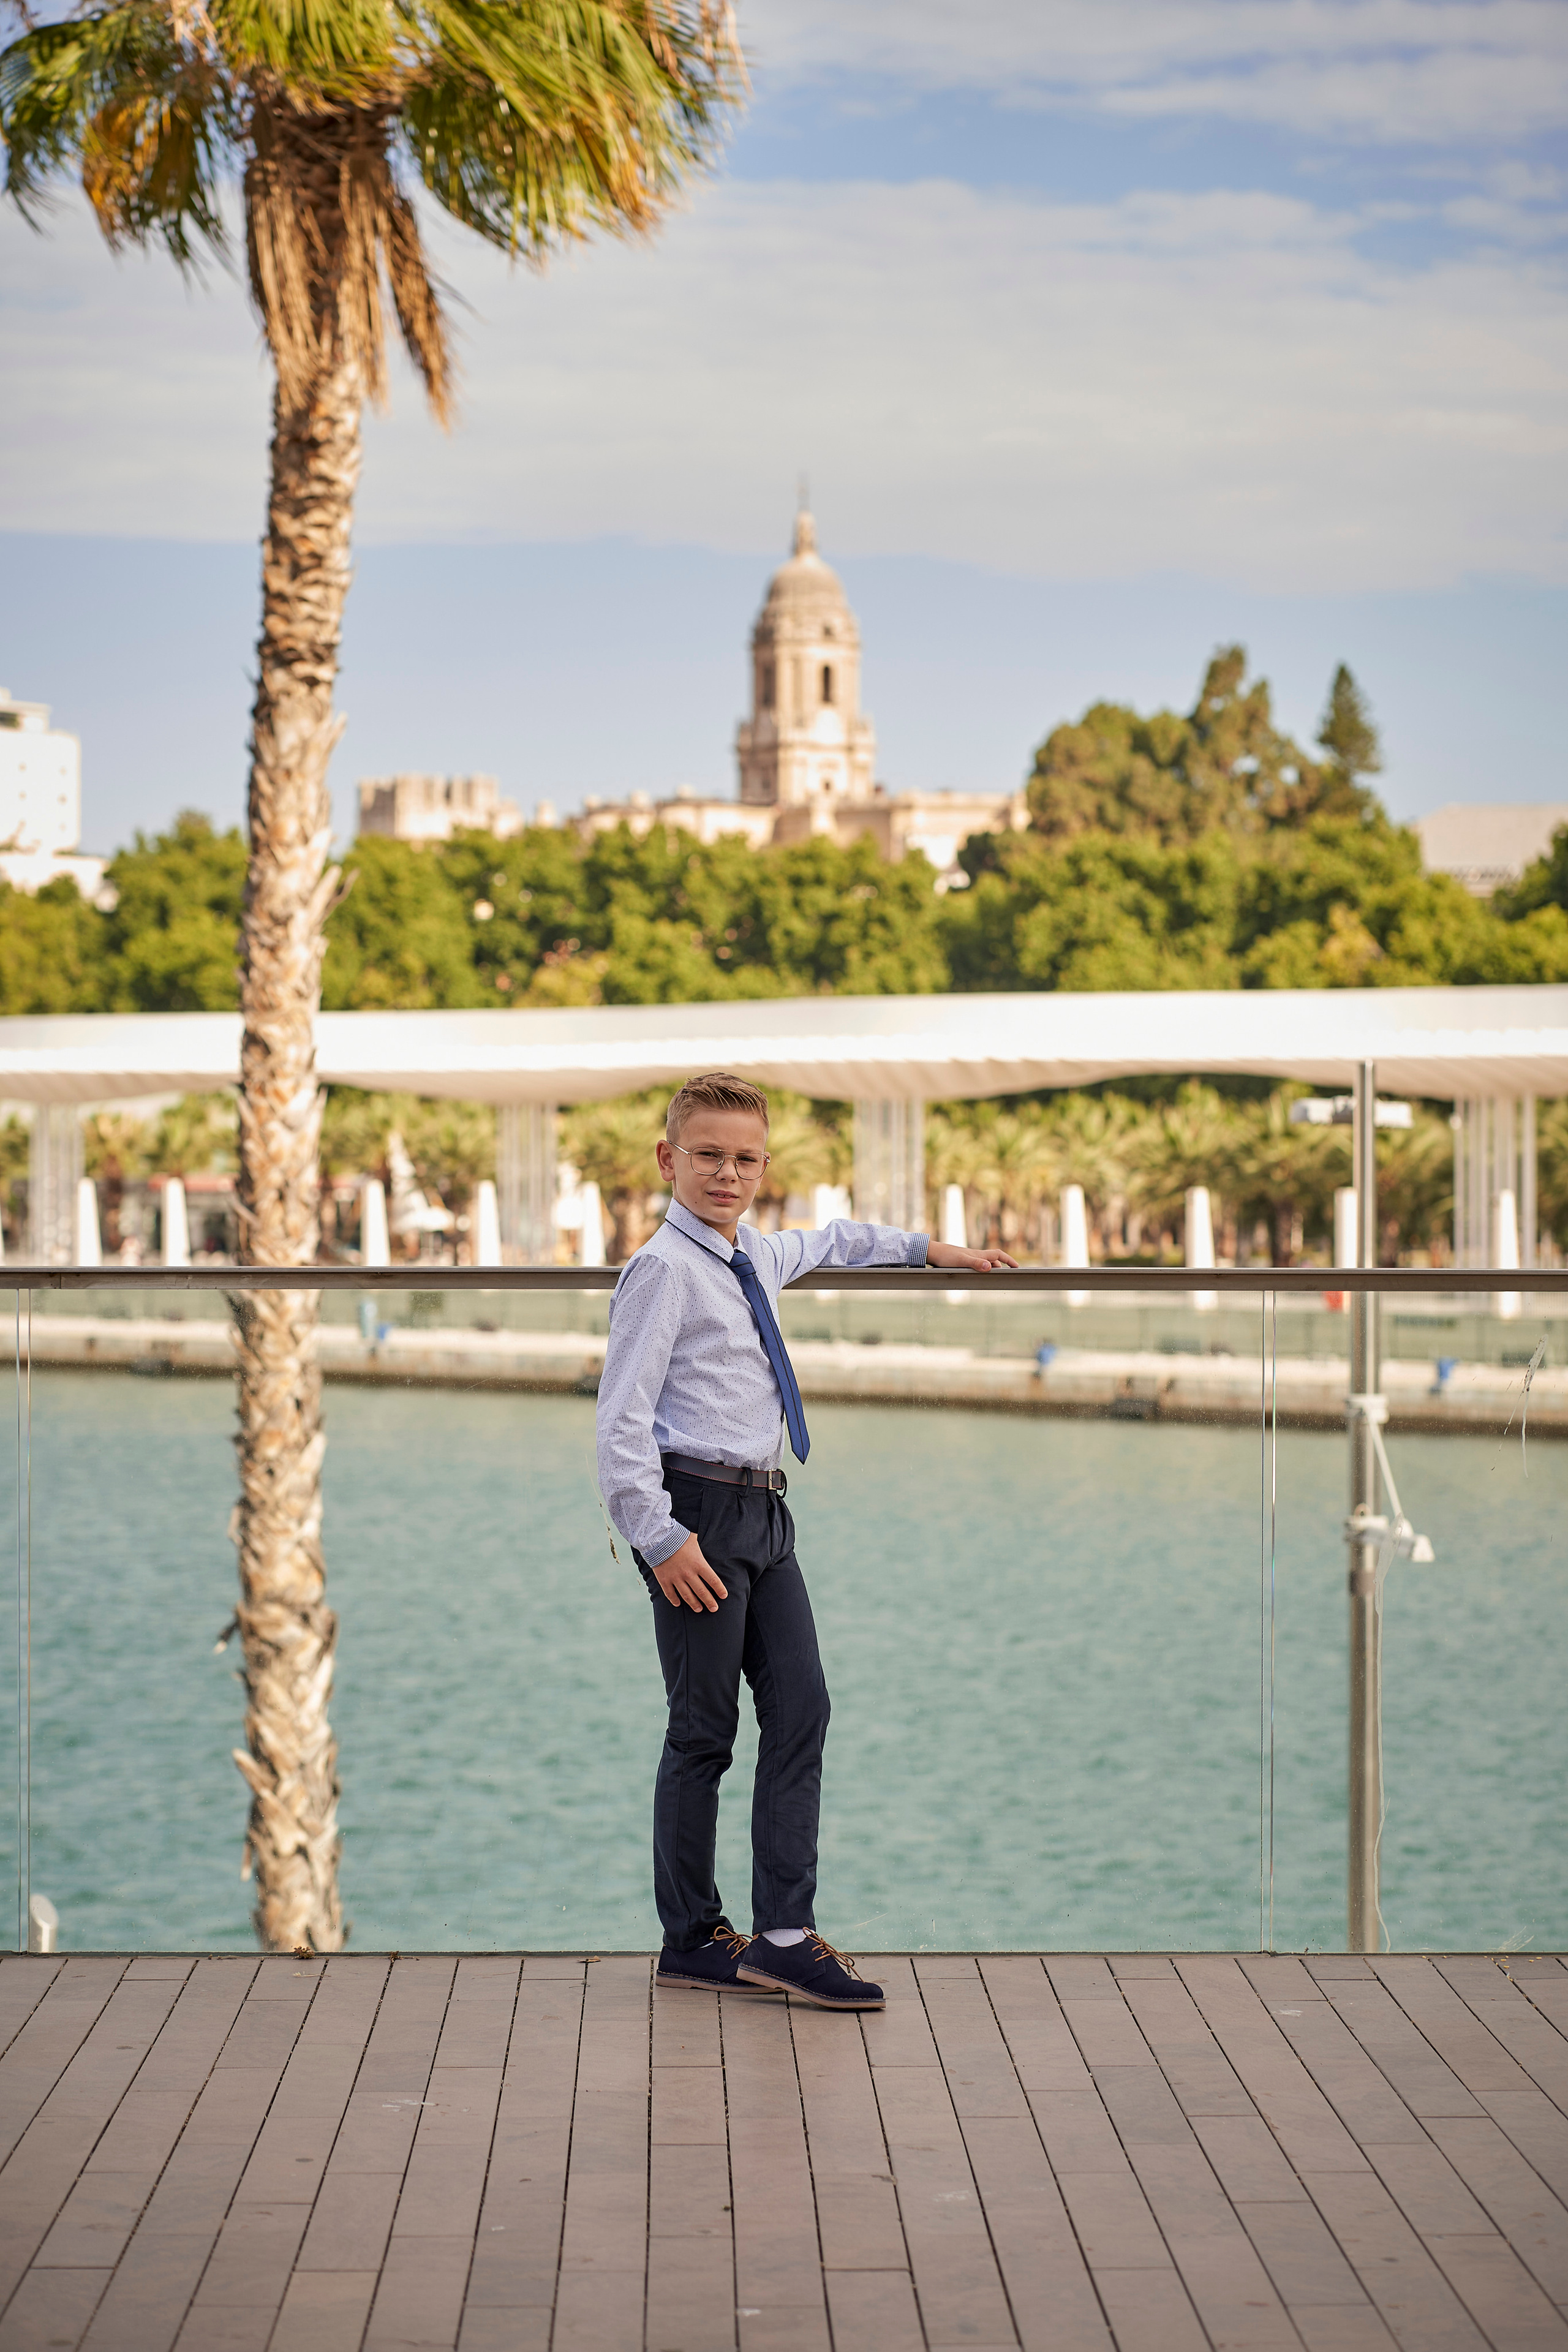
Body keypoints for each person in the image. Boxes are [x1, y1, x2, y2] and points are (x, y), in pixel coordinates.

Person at [595, 1071, 1016, 2010]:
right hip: (696, 1516)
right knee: (703, 1730)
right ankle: (691, 1938)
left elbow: (835, 1240)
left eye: (746, 1159)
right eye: (708, 1156)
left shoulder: (752, 1254)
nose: (728, 1174)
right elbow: (619, 1425)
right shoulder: (663, 1271)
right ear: (668, 1159)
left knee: (803, 1709)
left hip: (768, 1513)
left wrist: (928, 1251)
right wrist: (659, 1539)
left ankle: (784, 1935)